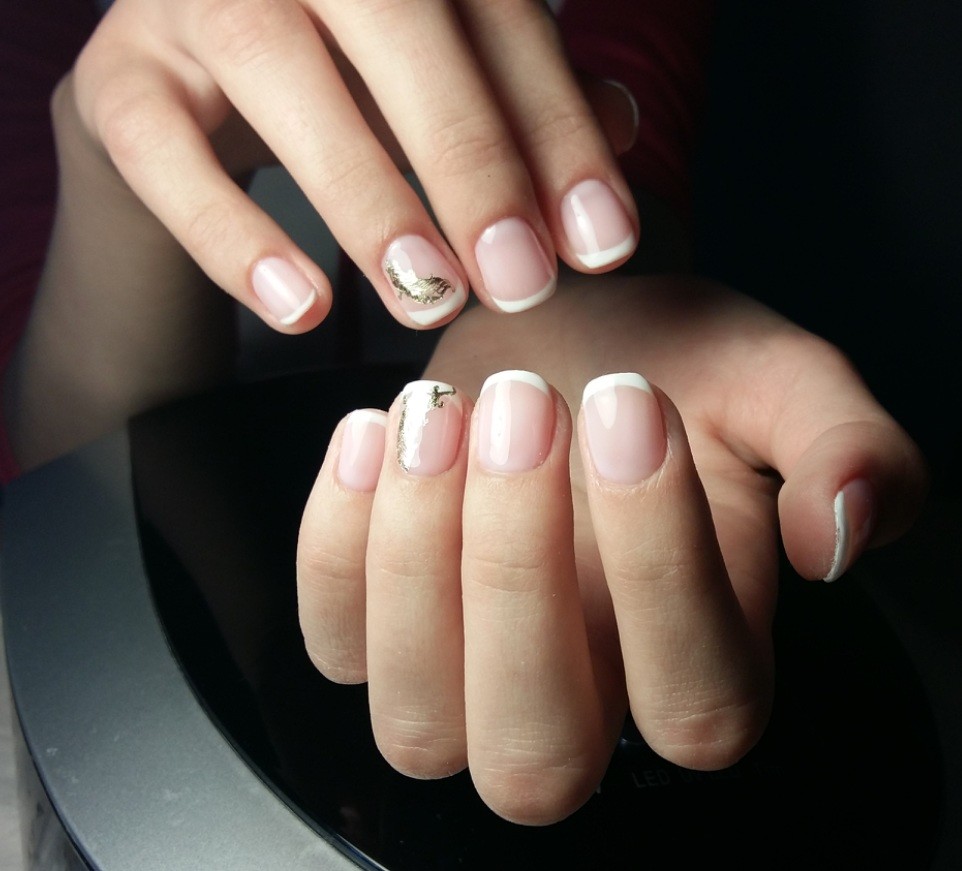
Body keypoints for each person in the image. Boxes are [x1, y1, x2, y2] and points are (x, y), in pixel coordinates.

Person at [0, 0, 928, 831]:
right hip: (152, 647)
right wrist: (108, 161)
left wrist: (587, 287)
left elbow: (625, 181)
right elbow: (62, 505)